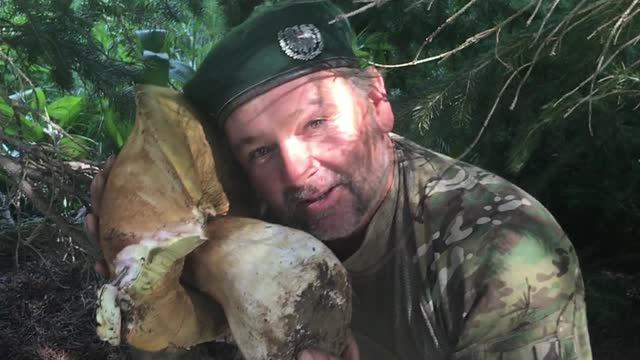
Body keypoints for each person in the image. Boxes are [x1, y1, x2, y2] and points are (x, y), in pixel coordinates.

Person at [86, 0, 593, 359]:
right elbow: (187, 339)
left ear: (377, 100)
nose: (296, 171)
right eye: (261, 151)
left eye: (317, 123)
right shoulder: (251, 218)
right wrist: (131, 276)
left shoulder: (501, 249)